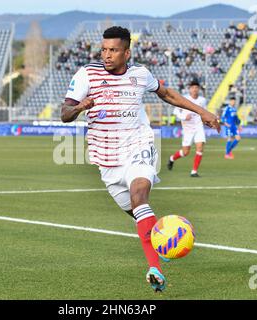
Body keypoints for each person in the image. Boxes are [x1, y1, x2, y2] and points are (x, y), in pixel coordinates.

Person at [60, 26, 220, 292]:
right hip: (107, 160)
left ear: (127, 52)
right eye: (104, 49)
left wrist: (202, 111)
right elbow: (64, 113)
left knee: (139, 196)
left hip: (138, 146)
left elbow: (167, 94)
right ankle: (166, 237)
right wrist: (79, 107)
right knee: (139, 216)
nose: (107, 55)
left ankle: (154, 269)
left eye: (113, 50)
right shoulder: (87, 73)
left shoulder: (140, 74)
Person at [167, 79, 207, 177]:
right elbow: (176, 112)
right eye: (193, 88)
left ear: (199, 89)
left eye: (196, 88)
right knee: (185, 152)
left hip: (198, 127)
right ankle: (172, 158)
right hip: (188, 129)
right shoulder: (184, 99)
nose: (195, 89)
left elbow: (204, 112)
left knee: (200, 148)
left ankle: (194, 171)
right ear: (189, 89)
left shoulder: (202, 100)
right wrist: (184, 117)